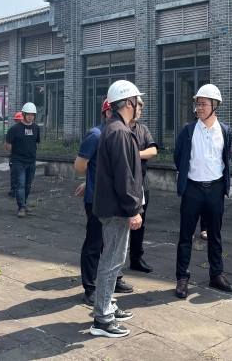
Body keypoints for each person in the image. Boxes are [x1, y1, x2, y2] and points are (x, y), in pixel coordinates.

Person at [89, 80, 145, 339]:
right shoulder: (120, 132)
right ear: (128, 103)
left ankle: (107, 305)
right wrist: (133, 209)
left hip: (111, 206)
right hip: (116, 209)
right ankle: (102, 319)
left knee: (111, 260)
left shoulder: (113, 128)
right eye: (137, 102)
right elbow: (124, 176)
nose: (139, 107)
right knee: (111, 261)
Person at [173, 84, 232, 299]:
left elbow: (226, 159)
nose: (198, 108)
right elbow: (178, 156)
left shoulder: (225, 131)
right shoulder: (188, 130)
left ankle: (216, 274)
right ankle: (182, 278)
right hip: (192, 188)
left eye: (203, 104)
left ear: (215, 106)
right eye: (197, 104)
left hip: (215, 188)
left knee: (215, 235)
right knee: (186, 235)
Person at [74, 99, 133, 306]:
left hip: (115, 199)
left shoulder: (121, 133)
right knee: (95, 243)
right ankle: (90, 287)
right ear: (107, 113)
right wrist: (92, 181)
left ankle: (114, 279)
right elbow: (80, 165)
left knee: (114, 244)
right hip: (96, 199)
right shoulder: (96, 135)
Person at [128, 94, 157, 274]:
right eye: (137, 106)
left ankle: (136, 258)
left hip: (141, 181)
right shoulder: (119, 129)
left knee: (140, 220)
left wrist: (134, 154)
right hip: (124, 181)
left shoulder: (142, 129)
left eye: (140, 107)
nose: (139, 110)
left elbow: (153, 150)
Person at [4, 103, 41, 218]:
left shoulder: (36, 128)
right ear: (23, 114)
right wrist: (15, 154)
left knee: (28, 185)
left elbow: (36, 142)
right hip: (18, 161)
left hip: (31, 161)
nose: (30, 117)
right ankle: (21, 208)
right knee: (20, 183)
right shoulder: (15, 129)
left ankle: (24, 203)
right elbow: (7, 144)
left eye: (32, 115)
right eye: (28, 115)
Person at [8, 112, 23, 198]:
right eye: (17, 121)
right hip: (15, 156)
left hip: (24, 156)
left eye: (19, 121)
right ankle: (13, 190)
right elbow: (8, 143)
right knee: (14, 174)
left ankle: (21, 190)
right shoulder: (13, 131)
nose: (18, 123)